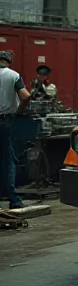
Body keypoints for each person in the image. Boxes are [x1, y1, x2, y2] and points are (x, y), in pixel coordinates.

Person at [0, 51, 31, 209]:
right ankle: (13, 199)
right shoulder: (13, 75)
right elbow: (25, 96)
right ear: (8, 62)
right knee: (8, 160)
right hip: (4, 121)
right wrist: (20, 111)